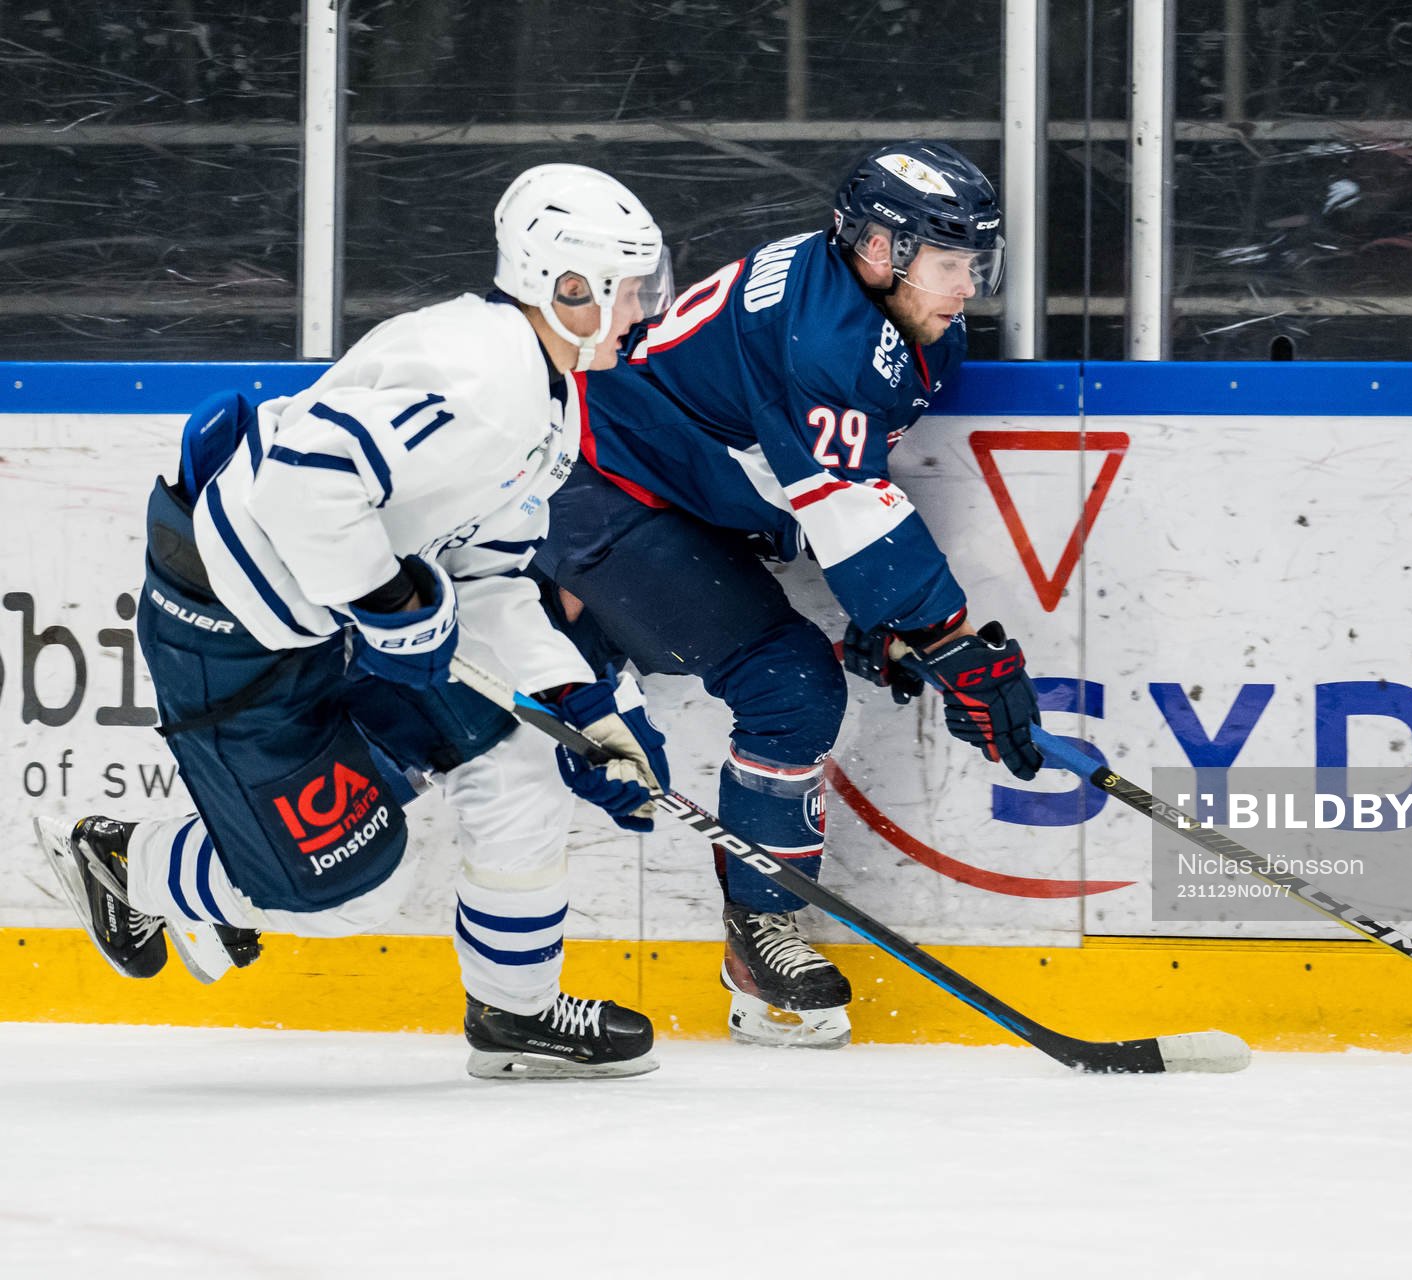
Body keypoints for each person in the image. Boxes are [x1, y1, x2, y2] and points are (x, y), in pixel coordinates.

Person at [35, 163, 678, 1080]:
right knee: (344, 887)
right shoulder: (483, 373)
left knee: (522, 758)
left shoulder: (549, 397)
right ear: (563, 286)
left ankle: (516, 1014)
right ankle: (129, 860)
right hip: (231, 624)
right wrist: (391, 606)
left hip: (328, 611)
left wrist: (580, 700)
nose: (642, 310)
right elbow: (308, 475)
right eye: (628, 289)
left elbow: (486, 575)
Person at [536, 141, 1043, 1050]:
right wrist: (947, 638)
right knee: (788, 686)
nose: (967, 287)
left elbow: (807, 473)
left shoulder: (877, 313)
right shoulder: (834, 337)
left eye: (975, 264)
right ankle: (758, 943)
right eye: (948, 264)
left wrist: (888, 622)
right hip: (609, 490)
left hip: (675, 493)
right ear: (880, 252)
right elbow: (842, 500)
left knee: (500, 709)